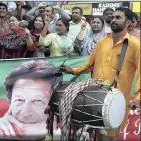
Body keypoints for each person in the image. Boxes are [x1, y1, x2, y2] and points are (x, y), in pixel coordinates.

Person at [60, 7, 140, 141]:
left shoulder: (134, 45)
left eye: (118, 17)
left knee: (110, 136)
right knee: (96, 135)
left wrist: (138, 97)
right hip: (95, 96)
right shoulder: (102, 41)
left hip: (117, 100)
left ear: (127, 23)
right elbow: (89, 63)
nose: (113, 20)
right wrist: (73, 70)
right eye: (113, 17)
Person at [0, 60, 63, 140]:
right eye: (19, 100)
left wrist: (56, 135)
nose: (26, 112)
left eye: (38, 101)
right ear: (10, 103)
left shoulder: (70, 133)